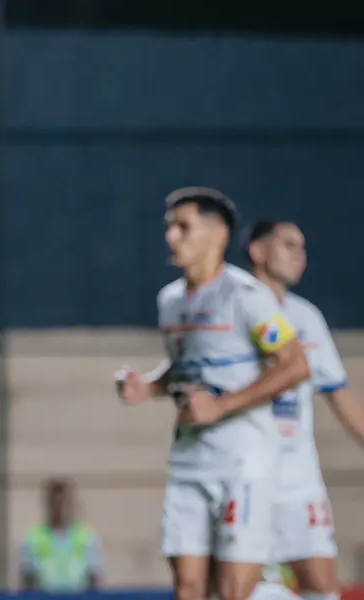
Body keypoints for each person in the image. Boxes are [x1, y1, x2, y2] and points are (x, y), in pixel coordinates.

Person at [115, 187, 310, 600]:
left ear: (217, 235)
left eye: (183, 227)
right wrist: (147, 386)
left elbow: (294, 364)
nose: (171, 237)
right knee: (187, 587)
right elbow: (185, 367)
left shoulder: (247, 297)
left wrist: (221, 406)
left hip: (243, 463)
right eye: (169, 228)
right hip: (189, 460)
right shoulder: (170, 301)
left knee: (232, 589)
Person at [245, 219, 364, 600]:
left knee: (322, 585)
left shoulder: (306, 317)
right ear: (258, 251)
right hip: (247, 472)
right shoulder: (236, 305)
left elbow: (338, 392)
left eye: (303, 247)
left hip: (299, 476)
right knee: (242, 586)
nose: (300, 255)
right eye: (288, 245)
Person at [18, 478, 102, 593]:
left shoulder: (87, 537)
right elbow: (28, 581)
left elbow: (93, 579)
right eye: (56, 503)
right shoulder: (33, 538)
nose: (60, 508)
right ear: (48, 504)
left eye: (64, 503)